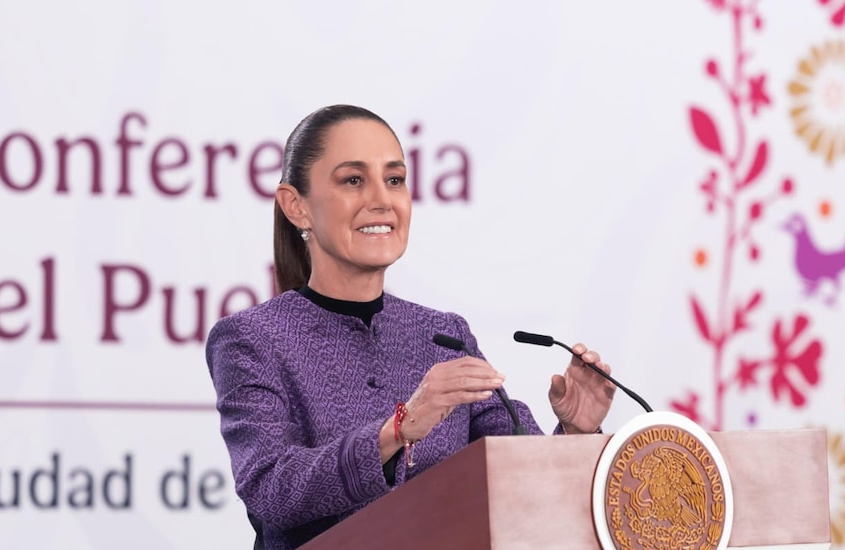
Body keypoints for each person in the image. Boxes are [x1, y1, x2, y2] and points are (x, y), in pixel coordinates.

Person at [205, 104, 616, 549]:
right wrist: (397, 430)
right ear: (296, 206)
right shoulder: (252, 339)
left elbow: (520, 479)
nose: (382, 199)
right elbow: (271, 489)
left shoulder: (443, 334)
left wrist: (575, 433)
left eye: (395, 179)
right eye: (353, 180)